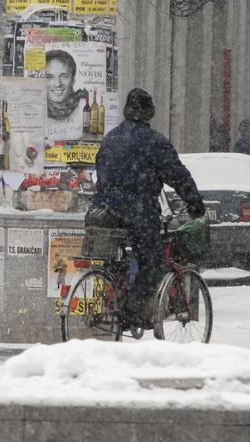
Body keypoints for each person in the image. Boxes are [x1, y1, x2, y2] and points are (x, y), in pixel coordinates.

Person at [92, 88, 205, 327]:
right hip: (138, 213)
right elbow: (178, 175)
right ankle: (132, 313)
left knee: (114, 261)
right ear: (148, 115)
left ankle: (115, 300)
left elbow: (101, 173)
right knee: (153, 263)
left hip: (105, 213)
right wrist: (194, 202)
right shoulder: (154, 142)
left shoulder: (110, 138)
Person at [45, 49, 88, 121]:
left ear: (73, 80)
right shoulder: (34, 109)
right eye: (49, 77)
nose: (57, 84)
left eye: (64, 76)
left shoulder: (85, 106)